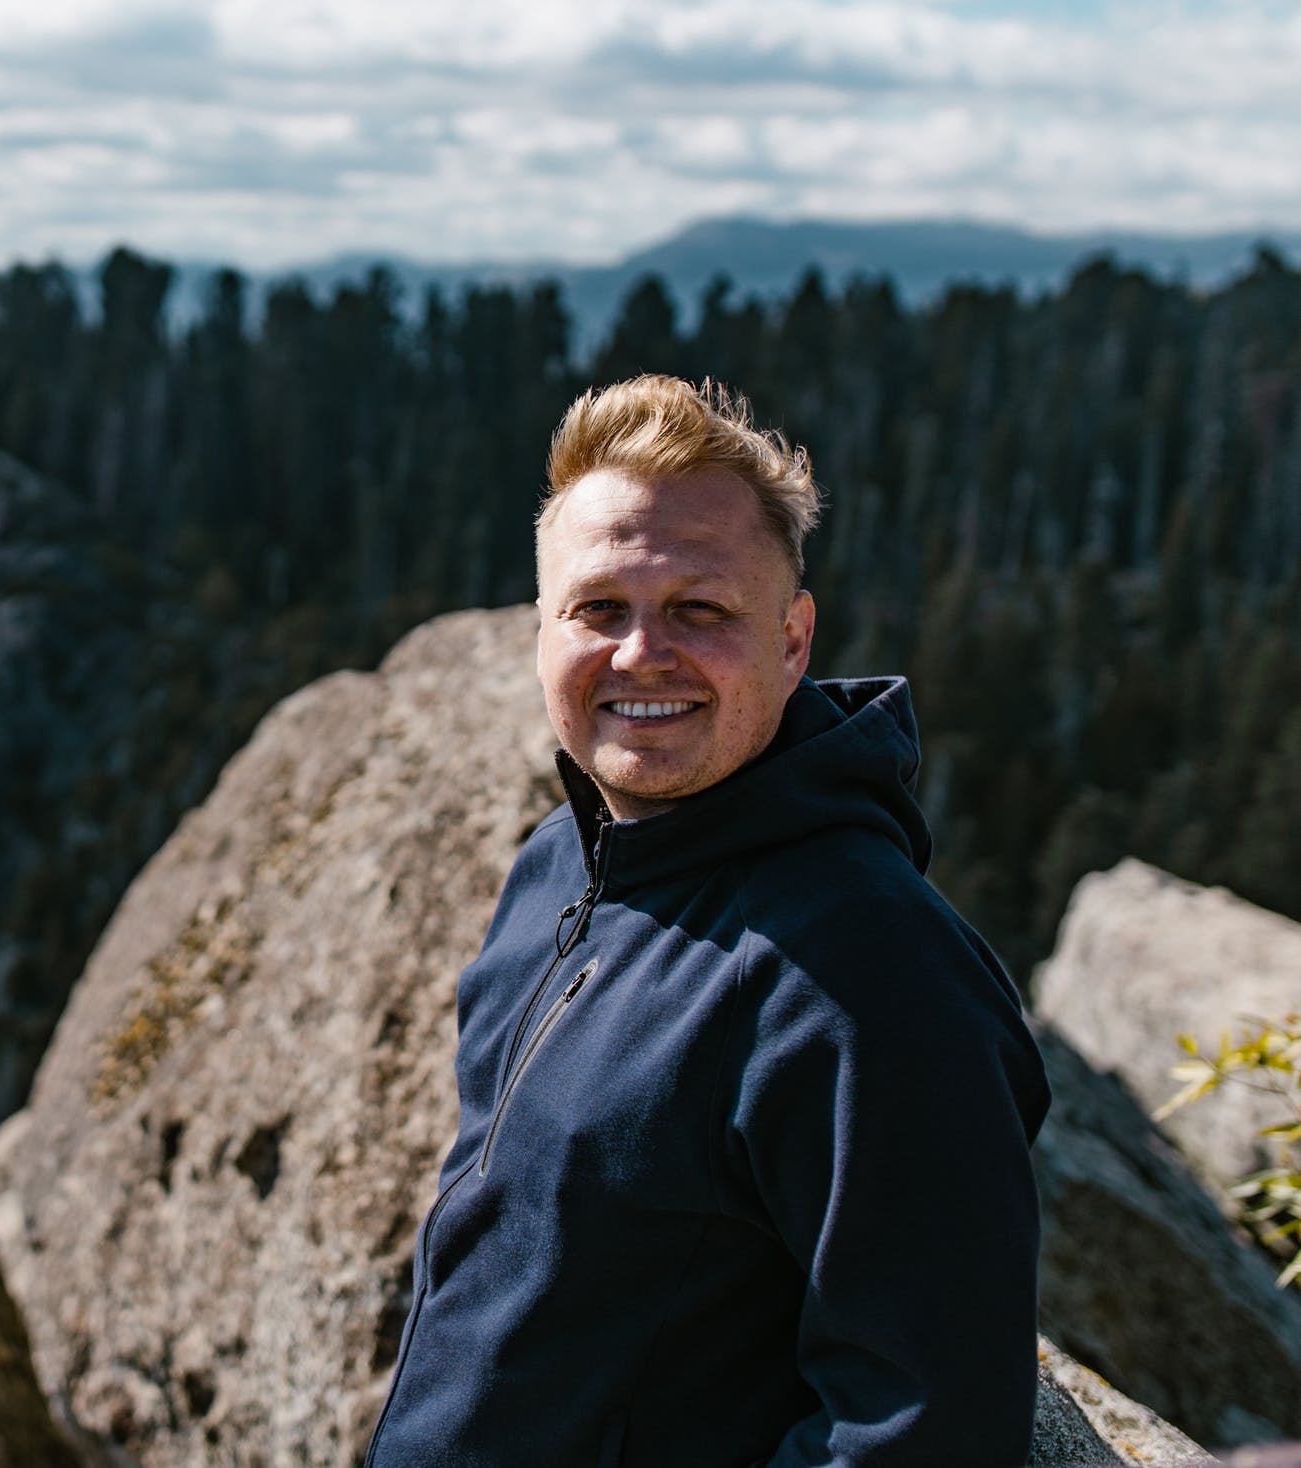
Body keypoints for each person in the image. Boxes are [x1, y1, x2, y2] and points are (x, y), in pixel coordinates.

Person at [365, 375, 1050, 1467]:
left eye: (700, 609)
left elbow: (920, 1431)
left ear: (792, 639)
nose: (642, 654)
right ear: (541, 631)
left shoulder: (870, 976)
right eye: (599, 610)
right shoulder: (564, 866)